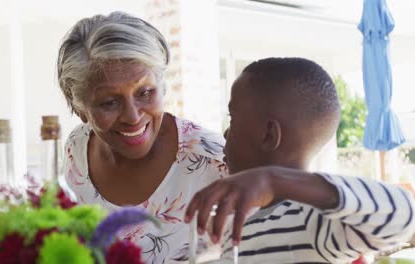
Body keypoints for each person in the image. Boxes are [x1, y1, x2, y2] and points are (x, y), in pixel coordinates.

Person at [184, 58, 415, 263]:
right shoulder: (236, 224)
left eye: (232, 119)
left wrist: (273, 181)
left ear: (268, 135)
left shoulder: (311, 219)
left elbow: (404, 213)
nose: (225, 134)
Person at [57, 12, 227, 263]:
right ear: (81, 109)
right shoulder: (77, 148)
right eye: (109, 102)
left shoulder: (211, 158)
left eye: (145, 92)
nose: (133, 116)